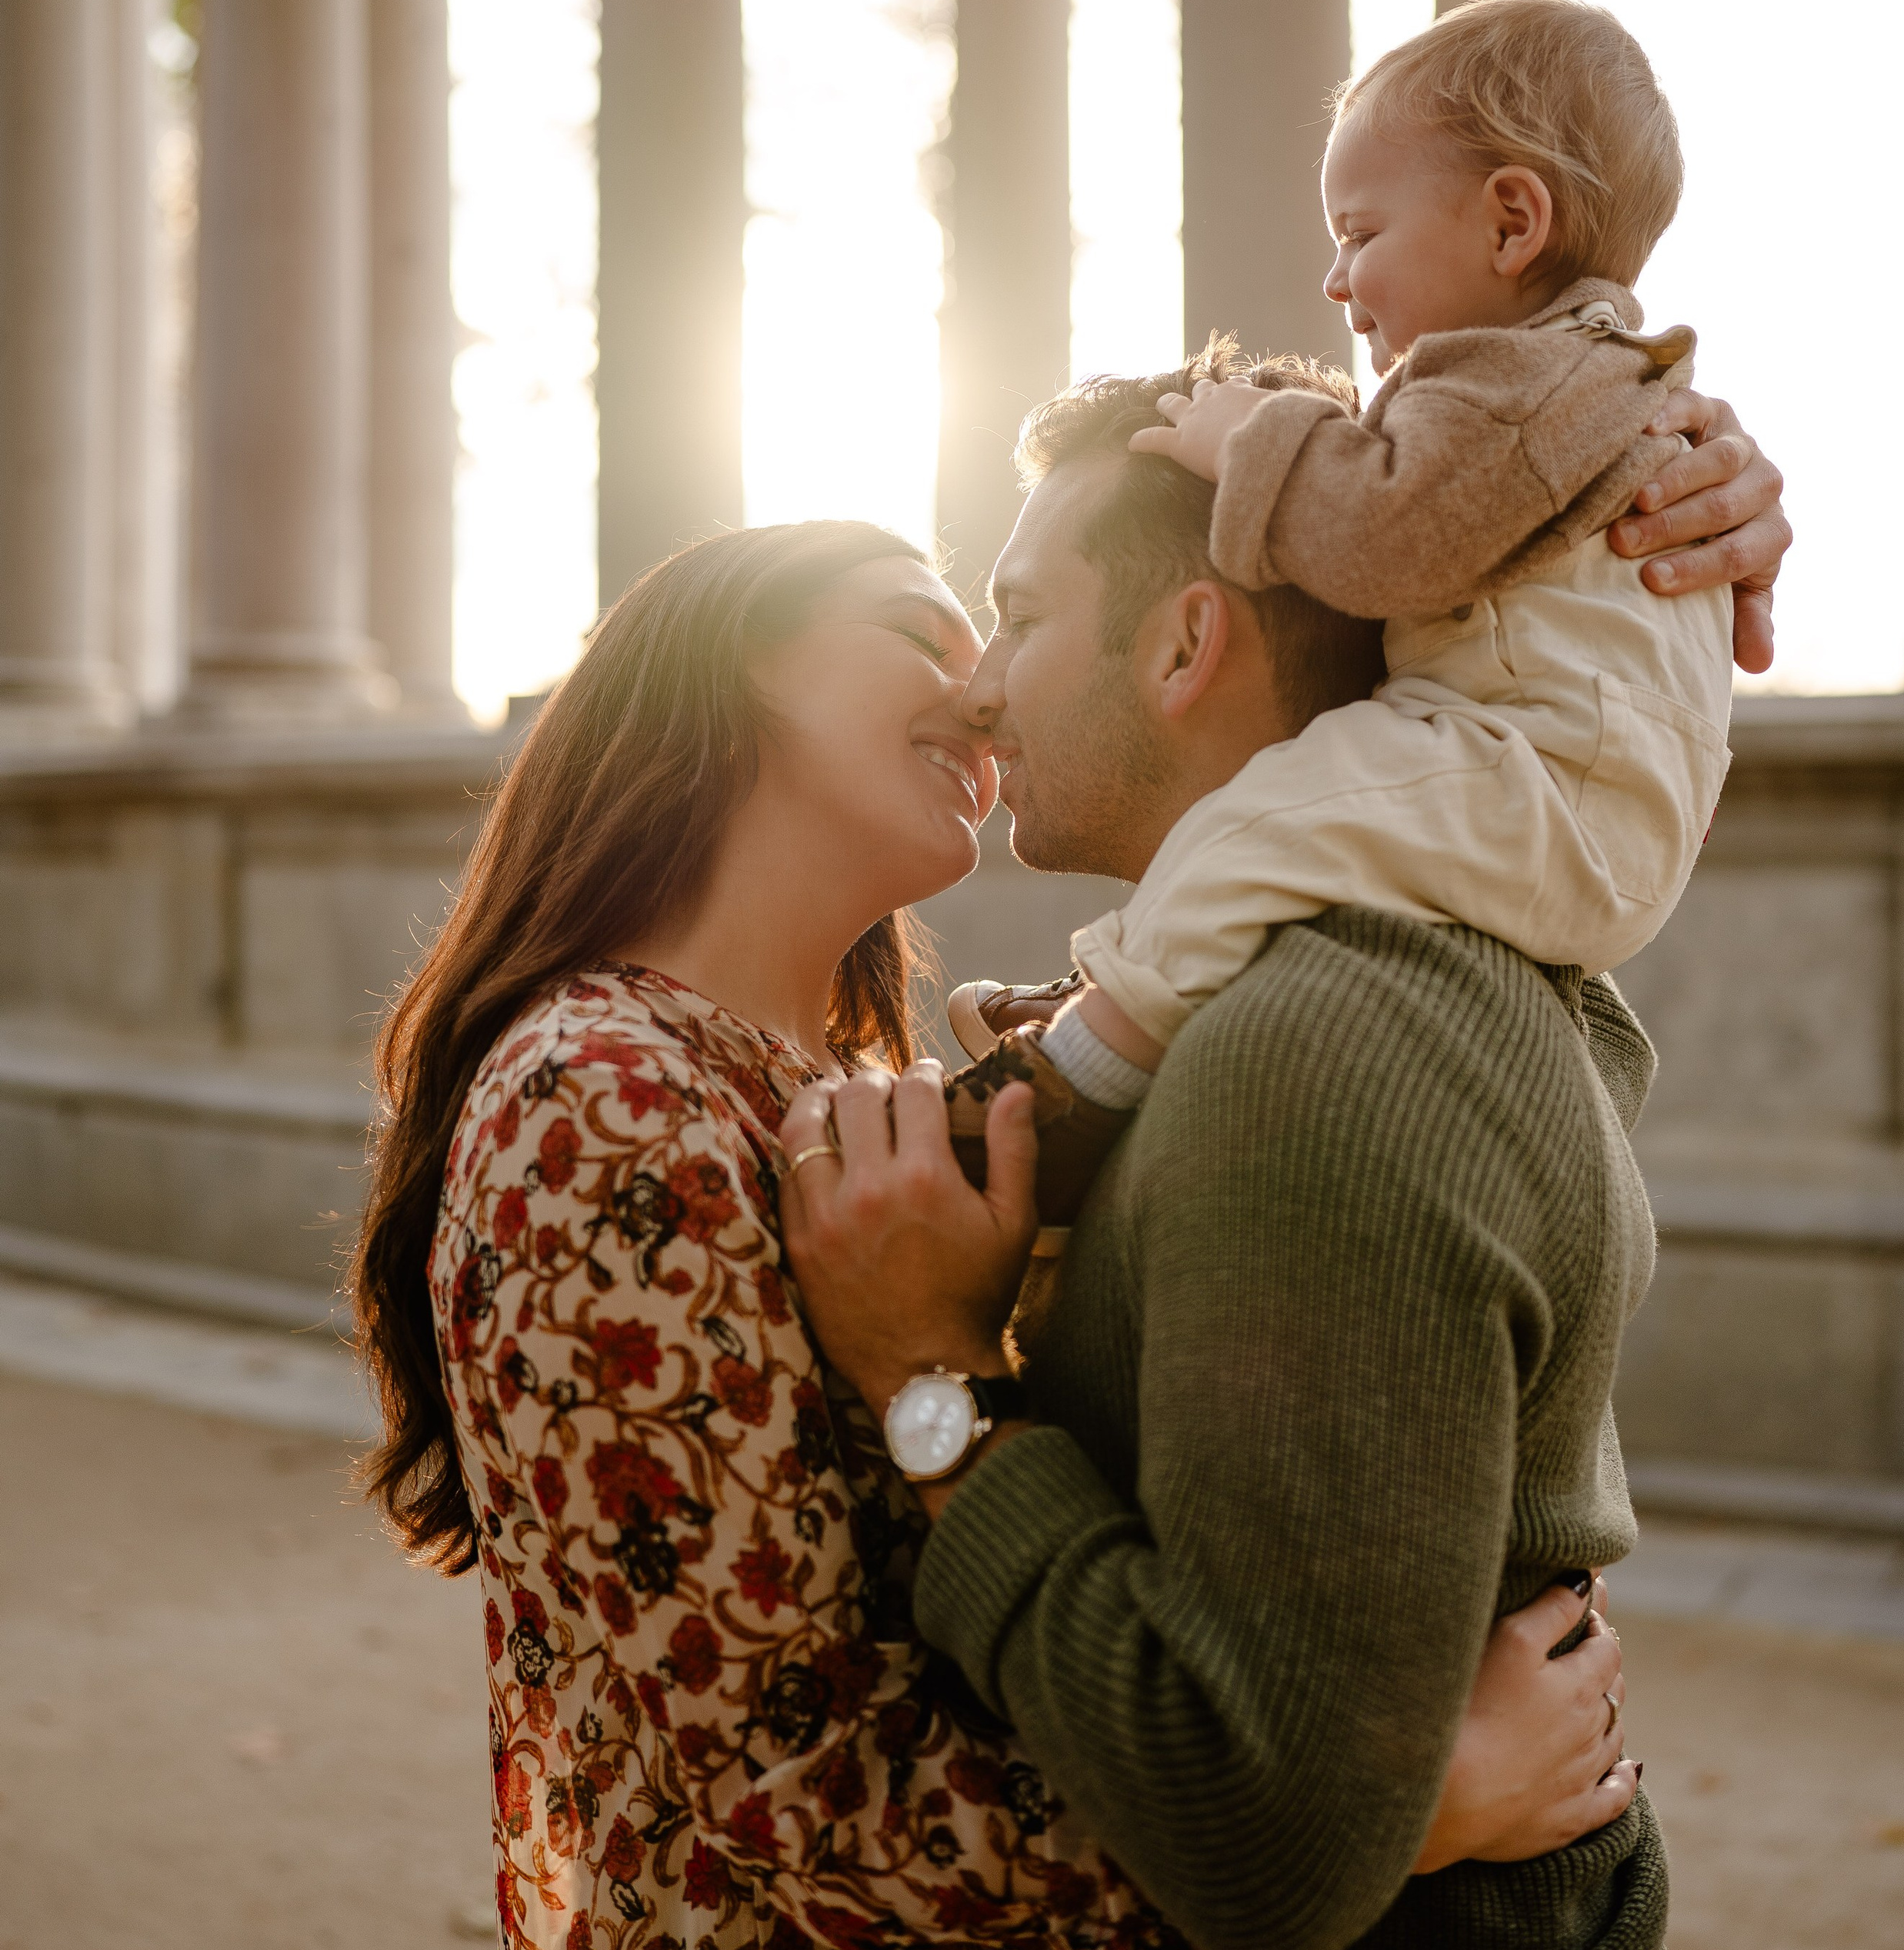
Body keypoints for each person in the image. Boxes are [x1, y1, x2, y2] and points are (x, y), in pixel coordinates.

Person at [350, 519, 1696, 1950]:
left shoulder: (837, 1093)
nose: (984, 690)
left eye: (995, 636)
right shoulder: (597, 1099)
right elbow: (808, 1799)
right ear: (723, 669)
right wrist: (1391, 1820)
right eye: (917, 633)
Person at [778, 365, 1792, 1950]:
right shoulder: (1328, 983)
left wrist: (933, 1386)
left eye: (1019, 615)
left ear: (1185, 643)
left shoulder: (1311, 1055)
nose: (978, 695)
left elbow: (1265, 1847)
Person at [948, 0, 1743, 1161]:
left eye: (1361, 235)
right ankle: (1107, 1016)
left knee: (1258, 827)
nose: (1333, 280)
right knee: (1284, 835)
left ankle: (1071, 1082)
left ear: (1513, 223)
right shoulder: (1587, 386)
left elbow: (1394, 540)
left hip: (1541, 781)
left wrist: (1244, 440)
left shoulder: (1520, 388)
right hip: (1557, 783)